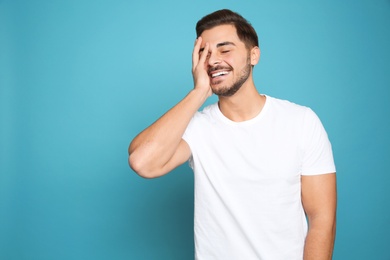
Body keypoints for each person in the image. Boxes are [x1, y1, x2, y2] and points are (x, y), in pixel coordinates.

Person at [128, 9, 337, 260]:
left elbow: (322, 220)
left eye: (225, 50)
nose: (214, 60)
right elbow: (142, 162)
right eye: (205, 53)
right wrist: (198, 93)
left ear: (253, 55)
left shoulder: (301, 121)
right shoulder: (197, 127)